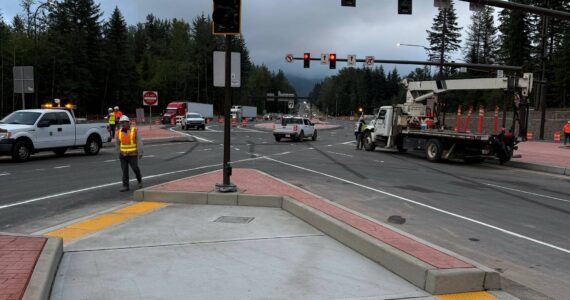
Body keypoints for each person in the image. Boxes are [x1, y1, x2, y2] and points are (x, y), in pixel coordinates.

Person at [116, 115, 143, 192]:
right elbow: (117, 144)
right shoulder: (118, 132)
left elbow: (139, 142)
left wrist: (140, 152)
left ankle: (139, 179)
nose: (123, 124)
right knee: (124, 170)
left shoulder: (135, 130)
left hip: (132, 154)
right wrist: (119, 153)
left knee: (135, 168)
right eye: (121, 122)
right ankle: (125, 185)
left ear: (128, 123)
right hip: (123, 155)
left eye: (124, 122)